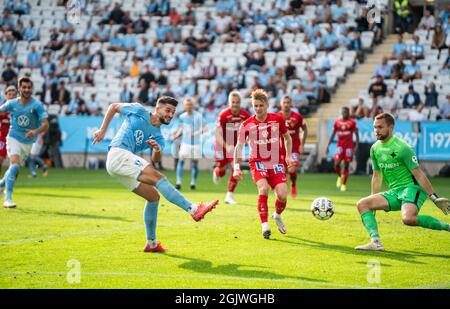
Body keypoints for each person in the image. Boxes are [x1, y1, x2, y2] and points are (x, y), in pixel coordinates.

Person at [93, 96, 218, 253]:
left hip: (121, 161)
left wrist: (157, 149)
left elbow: (155, 159)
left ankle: (151, 243)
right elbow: (113, 106)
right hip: (118, 153)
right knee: (159, 178)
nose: (170, 115)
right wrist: (103, 130)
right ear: (157, 109)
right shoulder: (139, 110)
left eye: (173, 112)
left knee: (153, 197)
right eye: (168, 110)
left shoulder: (159, 136)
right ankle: (193, 209)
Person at [355, 113, 450, 251]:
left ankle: (448, 227)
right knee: (363, 204)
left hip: (412, 188)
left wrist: (434, 198)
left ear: (391, 127)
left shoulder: (403, 147)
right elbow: (376, 176)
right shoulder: (375, 148)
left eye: (380, 127)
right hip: (395, 192)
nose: (376, 130)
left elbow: (419, 174)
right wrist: (372, 199)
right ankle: (375, 242)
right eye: (375, 127)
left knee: (408, 219)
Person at [233, 89, 294, 239]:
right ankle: (264, 225)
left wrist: (288, 156)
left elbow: (287, 138)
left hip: (276, 162)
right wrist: (236, 167)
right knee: (263, 188)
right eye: (255, 106)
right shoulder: (247, 124)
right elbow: (239, 146)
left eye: (261, 105)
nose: (258, 108)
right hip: (257, 162)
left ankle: (277, 215)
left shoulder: (277, 119)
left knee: (282, 195)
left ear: (267, 105)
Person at [0, 77, 49, 208]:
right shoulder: (12, 103)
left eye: (29, 87)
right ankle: (7, 198)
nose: (26, 90)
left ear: (32, 88)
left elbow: (46, 125)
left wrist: (35, 131)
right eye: (24, 87)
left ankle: (1, 183)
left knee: (14, 170)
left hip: (28, 143)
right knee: (14, 166)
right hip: (13, 137)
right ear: (19, 88)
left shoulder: (37, 105)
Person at [212, 91, 250, 205]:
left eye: (237, 102)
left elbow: (250, 130)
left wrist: (247, 139)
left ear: (240, 103)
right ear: (229, 102)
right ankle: (217, 172)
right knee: (222, 171)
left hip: (236, 146)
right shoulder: (223, 114)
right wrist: (226, 145)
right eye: (233, 102)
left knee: (236, 168)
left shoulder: (245, 115)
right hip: (221, 145)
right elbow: (217, 133)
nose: (235, 104)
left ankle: (229, 195)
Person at [277, 95, 308, 198]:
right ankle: (283, 189)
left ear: (291, 104)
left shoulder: (297, 117)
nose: (286, 104)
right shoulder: (276, 117)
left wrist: (302, 144)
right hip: (281, 149)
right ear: (281, 104)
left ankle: (293, 184)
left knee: (292, 170)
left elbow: (305, 129)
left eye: (288, 102)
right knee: (281, 172)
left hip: (294, 148)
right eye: (284, 102)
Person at [173, 98, 205, 191]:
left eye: (190, 105)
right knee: (181, 161)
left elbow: (205, 128)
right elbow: (182, 128)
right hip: (185, 143)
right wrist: (177, 135)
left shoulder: (198, 116)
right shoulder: (182, 116)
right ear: (184, 106)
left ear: (193, 105)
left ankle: (193, 183)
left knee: (194, 163)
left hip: (196, 143)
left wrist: (196, 133)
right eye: (186, 105)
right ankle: (178, 182)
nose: (188, 106)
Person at [326, 107, 359, 192]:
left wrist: (356, 146)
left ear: (348, 113)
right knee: (336, 164)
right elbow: (333, 134)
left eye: (345, 112)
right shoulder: (337, 122)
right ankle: (340, 176)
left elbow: (357, 135)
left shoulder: (352, 122)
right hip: (340, 146)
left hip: (348, 146)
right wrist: (328, 145)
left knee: (346, 165)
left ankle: (344, 184)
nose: (344, 113)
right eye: (343, 112)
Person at [0, 86, 17, 175]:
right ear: (6, 96)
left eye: (13, 95)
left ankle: (9, 186)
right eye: (9, 94)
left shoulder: (20, 109)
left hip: (15, 139)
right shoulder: (2, 109)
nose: (11, 96)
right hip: (2, 138)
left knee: (14, 166)